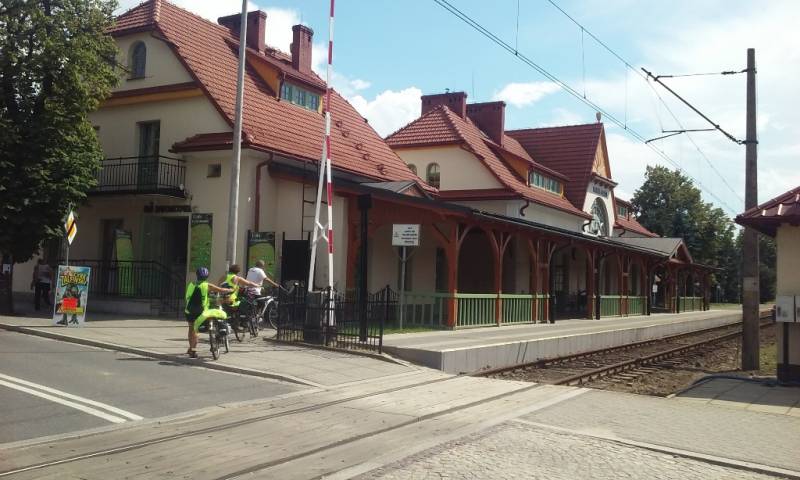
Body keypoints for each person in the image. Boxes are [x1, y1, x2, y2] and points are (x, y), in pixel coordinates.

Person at [185, 267, 232, 358]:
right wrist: (230, 290)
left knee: (191, 329)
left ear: (197, 275)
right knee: (197, 329)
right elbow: (221, 290)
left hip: (189, 311)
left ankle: (191, 349)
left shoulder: (191, 284)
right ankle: (194, 349)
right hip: (201, 312)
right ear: (207, 276)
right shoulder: (207, 285)